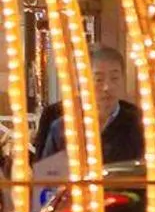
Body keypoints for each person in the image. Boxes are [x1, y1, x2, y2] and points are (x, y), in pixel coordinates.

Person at [33, 45, 144, 179]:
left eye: (114, 78)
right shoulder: (63, 127)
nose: (107, 87)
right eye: (98, 79)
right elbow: (46, 184)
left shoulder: (139, 125)